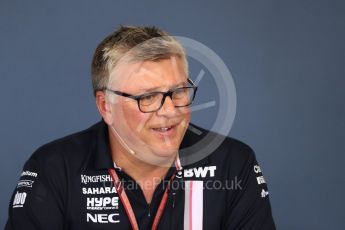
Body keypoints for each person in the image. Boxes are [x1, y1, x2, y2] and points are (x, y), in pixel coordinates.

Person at [5, 25, 276, 230]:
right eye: (147, 97)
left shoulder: (234, 164)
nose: (170, 111)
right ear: (105, 106)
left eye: (179, 91)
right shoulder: (53, 168)